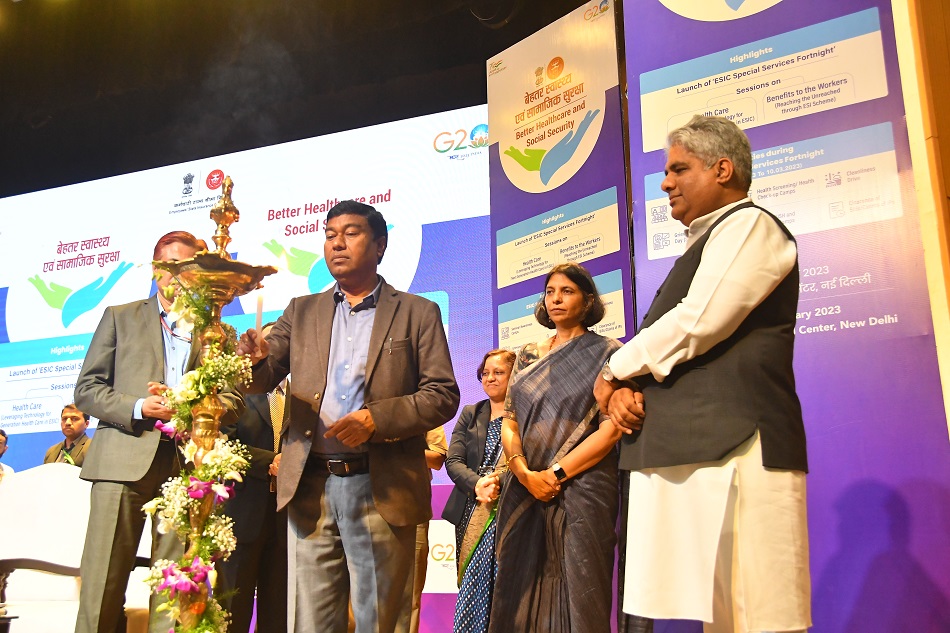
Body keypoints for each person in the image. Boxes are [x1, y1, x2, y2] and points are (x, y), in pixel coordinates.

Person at [594, 115, 811, 633]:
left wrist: (614, 370)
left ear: (722, 169)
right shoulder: (708, 240)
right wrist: (625, 388)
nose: (665, 183)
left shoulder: (750, 225)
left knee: (762, 616)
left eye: (678, 169)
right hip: (698, 451)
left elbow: (700, 319)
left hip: (743, 449)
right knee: (723, 620)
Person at [236, 200, 460, 633]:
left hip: (381, 484)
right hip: (310, 488)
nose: (336, 243)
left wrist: (376, 420)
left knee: (380, 621)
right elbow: (262, 379)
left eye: (351, 233)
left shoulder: (417, 312)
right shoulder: (301, 311)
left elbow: (442, 394)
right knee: (311, 623)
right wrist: (254, 360)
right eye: (329, 234)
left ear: (380, 245)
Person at [73, 230, 245, 633]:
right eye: (170, 266)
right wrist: (138, 407)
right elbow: (87, 390)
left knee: (174, 593)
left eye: (188, 268)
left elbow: (234, 400)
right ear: (155, 269)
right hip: (121, 463)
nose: (178, 276)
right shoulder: (121, 316)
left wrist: (195, 409)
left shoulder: (216, 330)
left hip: (186, 471)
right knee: (102, 585)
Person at [487, 263, 623, 633]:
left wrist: (556, 474)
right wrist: (524, 473)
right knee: (519, 583)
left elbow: (611, 429)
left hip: (584, 485)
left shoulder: (609, 353)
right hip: (526, 485)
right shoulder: (528, 354)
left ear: (588, 300)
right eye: (550, 292)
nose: (556, 299)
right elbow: (510, 421)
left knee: (583, 587)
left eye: (567, 291)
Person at [219, 321, 288, 633]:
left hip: (288, 519)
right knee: (232, 611)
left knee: (278, 615)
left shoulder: (303, 395)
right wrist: (270, 461)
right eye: (268, 341)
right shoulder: (236, 390)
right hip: (242, 514)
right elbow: (222, 444)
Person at [443, 348, 515, 633]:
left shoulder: (525, 414)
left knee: (506, 586)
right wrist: (477, 484)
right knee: (473, 583)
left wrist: (499, 482)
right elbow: (453, 461)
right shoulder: (471, 414)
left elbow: (531, 460)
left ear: (515, 375)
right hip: (471, 508)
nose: (490, 378)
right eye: (485, 373)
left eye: (498, 372)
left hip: (510, 507)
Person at [406, 427, 448, 633]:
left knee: (411, 593)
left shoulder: (422, 409)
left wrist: (394, 452)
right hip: (365, 504)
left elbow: (437, 458)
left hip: (412, 507)